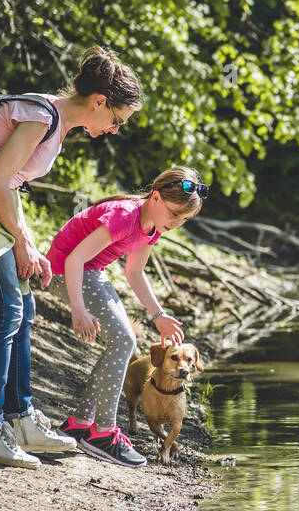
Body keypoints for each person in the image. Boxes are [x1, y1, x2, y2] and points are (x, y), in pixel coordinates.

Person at [0, 46, 144, 468]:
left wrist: (28, 242)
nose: (114, 130)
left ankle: (20, 419)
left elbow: (11, 182)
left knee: (24, 304)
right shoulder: (42, 116)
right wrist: (20, 240)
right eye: (116, 120)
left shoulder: (54, 122)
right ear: (99, 102)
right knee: (4, 309)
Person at [45, 169, 203, 466]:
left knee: (122, 343)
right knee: (123, 340)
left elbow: (134, 272)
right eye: (174, 214)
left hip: (90, 272)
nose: (176, 224)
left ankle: (80, 424)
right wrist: (77, 307)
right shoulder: (125, 216)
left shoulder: (153, 227)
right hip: (65, 271)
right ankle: (103, 432)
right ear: (155, 197)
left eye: (184, 219)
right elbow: (74, 258)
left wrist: (159, 315)